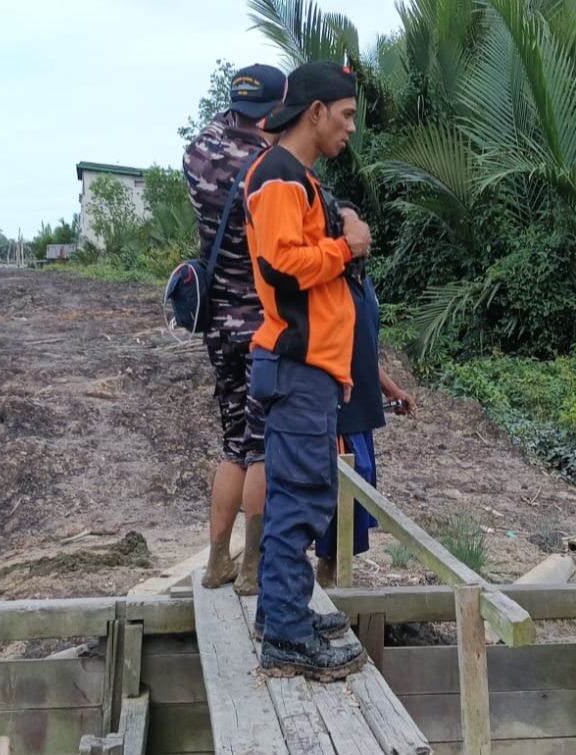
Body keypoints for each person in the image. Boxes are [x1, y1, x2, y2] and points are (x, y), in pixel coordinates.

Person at [243, 60, 370, 680]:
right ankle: (288, 640)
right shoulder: (279, 178)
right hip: (297, 367)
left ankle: (281, 612)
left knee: (301, 494)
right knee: (300, 498)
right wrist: (347, 248)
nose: (350, 129)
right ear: (315, 112)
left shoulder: (301, 179)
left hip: (309, 370)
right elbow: (282, 264)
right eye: (345, 116)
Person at [183, 63, 283, 595]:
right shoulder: (267, 168)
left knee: (231, 446)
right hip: (261, 322)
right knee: (261, 447)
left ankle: (217, 561)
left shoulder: (198, 153)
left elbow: (220, 129)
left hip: (216, 319)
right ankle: (252, 571)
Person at [312, 198, 418, 586]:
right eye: (354, 229)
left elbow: (366, 349)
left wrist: (394, 390)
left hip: (366, 407)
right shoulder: (329, 283)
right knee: (342, 493)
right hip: (340, 406)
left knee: (362, 490)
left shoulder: (364, 283)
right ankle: (327, 575)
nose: (364, 237)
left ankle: (341, 575)